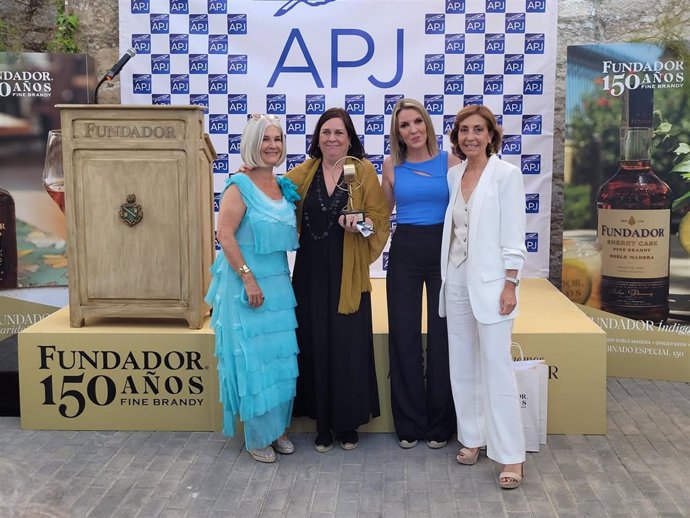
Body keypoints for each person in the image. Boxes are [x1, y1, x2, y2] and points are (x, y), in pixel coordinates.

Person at [287, 107, 390, 452]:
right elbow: (271, 192)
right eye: (326, 132)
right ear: (317, 137)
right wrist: (247, 172)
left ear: (350, 138)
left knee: (347, 345)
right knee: (315, 340)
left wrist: (358, 223)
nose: (332, 138)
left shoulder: (358, 172)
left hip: (348, 272)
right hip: (310, 272)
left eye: (339, 133)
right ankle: (322, 422)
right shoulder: (305, 172)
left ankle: (347, 423)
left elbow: (378, 221)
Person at [439, 105, 527, 489]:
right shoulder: (454, 174)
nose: (470, 137)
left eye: (478, 130)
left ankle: (511, 457)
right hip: (456, 279)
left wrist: (511, 283)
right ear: (456, 136)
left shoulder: (507, 175)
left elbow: (514, 234)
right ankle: (472, 438)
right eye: (463, 131)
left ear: (491, 135)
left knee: (497, 368)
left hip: (493, 284)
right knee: (462, 365)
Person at [205, 114, 300, 464]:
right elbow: (225, 235)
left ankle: (278, 430)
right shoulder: (238, 185)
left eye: (277, 139)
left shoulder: (283, 185)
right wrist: (247, 277)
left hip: (277, 284)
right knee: (254, 362)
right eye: (265, 139)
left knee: (278, 359)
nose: (273, 145)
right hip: (247, 286)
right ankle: (257, 435)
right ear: (252, 144)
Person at [381, 98, 460, 450]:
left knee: (444, 334)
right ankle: (409, 423)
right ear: (397, 133)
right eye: (404, 125)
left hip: (444, 251)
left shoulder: (452, 162)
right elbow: (380, 214)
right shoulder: (391, 167)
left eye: (417, 122)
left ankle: (441, 422)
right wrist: (354, 221)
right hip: (405, 251)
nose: (412, 130)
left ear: (427, 124)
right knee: (404, 335)